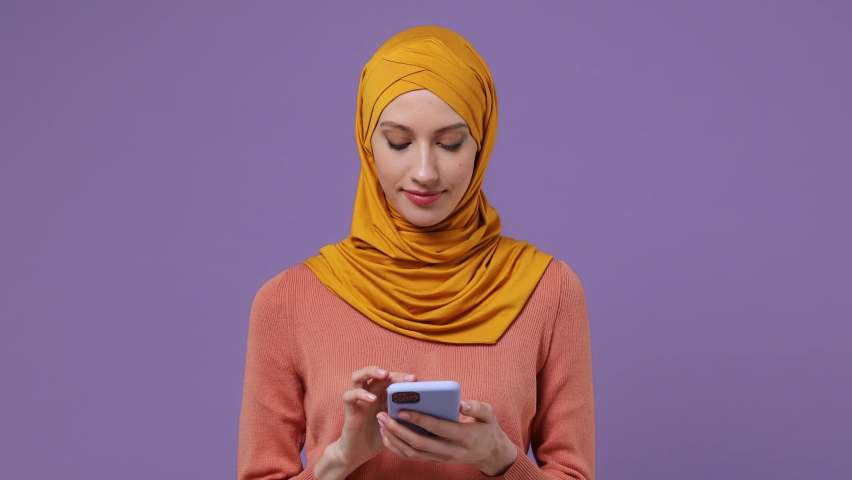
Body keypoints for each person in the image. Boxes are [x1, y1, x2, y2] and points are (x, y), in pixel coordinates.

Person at [237, 25, 594, 480]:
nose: (425, 171)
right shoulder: (286, 302)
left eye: (449, 143)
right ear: (368, 143)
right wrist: (341, 458)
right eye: (399, 142)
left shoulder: (549, 290)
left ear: (481, 141)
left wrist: (500, 458)